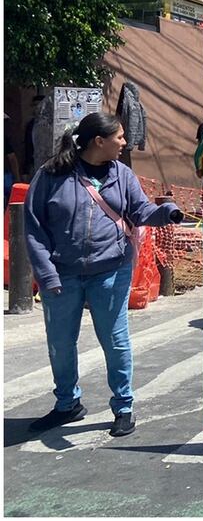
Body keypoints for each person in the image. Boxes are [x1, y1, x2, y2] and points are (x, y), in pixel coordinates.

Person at [23, 113, 182, 437]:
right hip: (62, 274)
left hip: (111, 269)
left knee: (115, 340)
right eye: (120, 137)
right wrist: (47, 274)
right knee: (61, 343)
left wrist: (165, 212)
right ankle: (67, 404)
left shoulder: (122, 174)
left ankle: (123, 407)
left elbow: (140, 211)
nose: (124, 142)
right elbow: (34, 229)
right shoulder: (51, 175)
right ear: (99, 141)